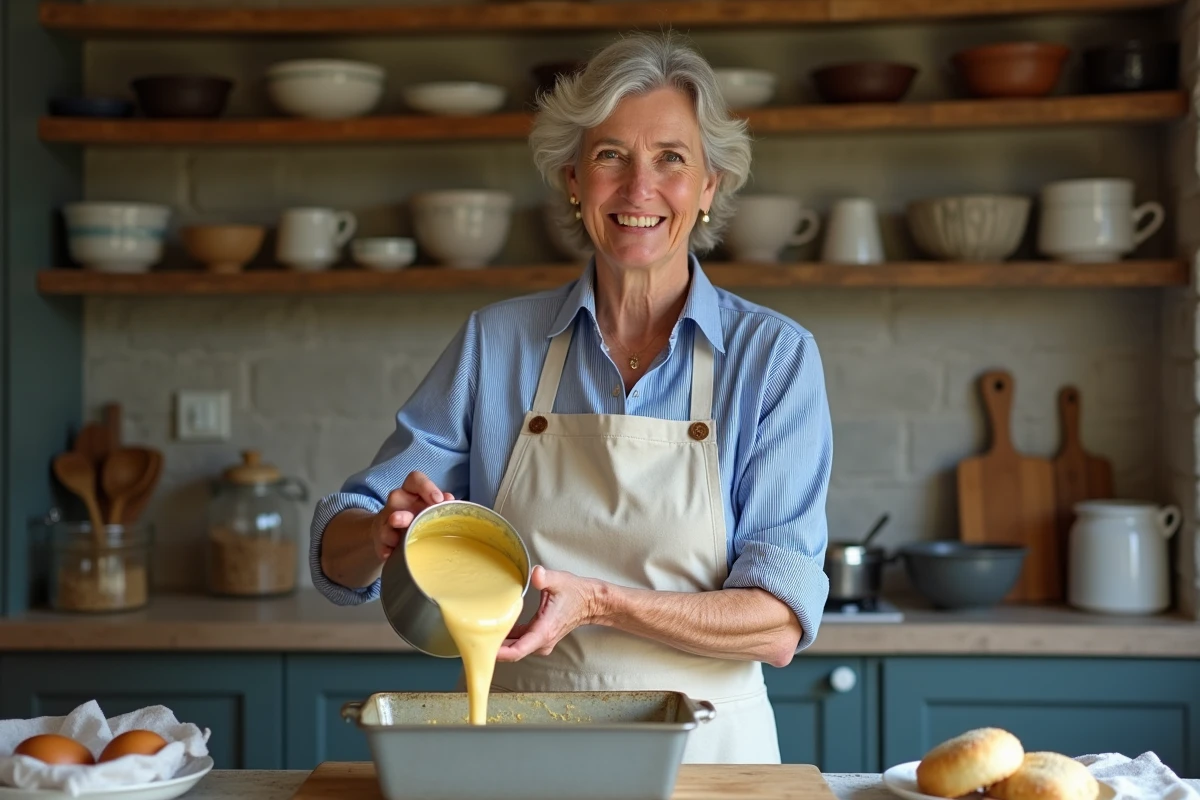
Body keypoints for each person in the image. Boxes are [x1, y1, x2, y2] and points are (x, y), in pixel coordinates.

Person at [311, 31, 832, 764]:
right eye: (610, 156)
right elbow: (339, 559)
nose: (638, 189)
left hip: (712, 758)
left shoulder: (773, 360)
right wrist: (375, 537)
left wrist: (602, 602)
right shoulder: (496, 343)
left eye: (671, 160)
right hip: (526, 744)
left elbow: (778, 624)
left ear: (710, 187)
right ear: (573, 180)